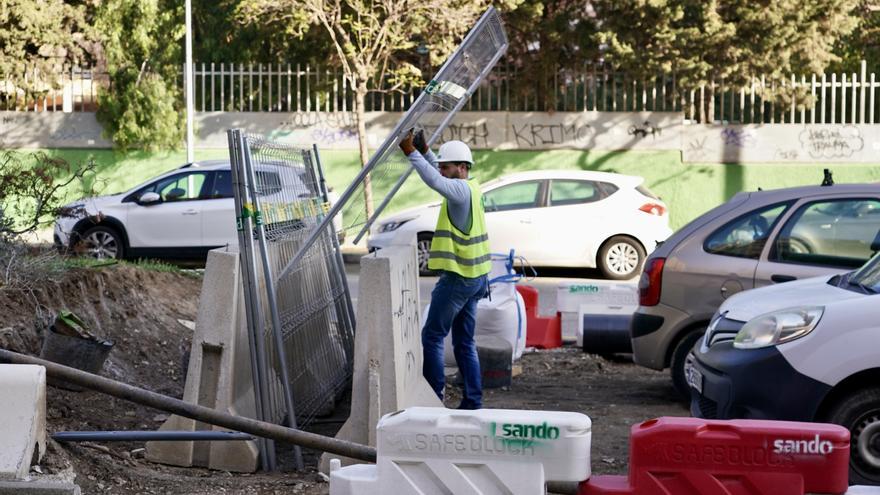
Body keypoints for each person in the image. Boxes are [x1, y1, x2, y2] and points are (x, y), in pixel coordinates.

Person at [398, 130, 490, 410]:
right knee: (464, 342)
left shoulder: (459, 190)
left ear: (462, 168)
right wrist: (426, 151)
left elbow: (435, 180)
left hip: (458, 277)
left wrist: (411, 153)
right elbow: (441, 171)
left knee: (432, 336)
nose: (441, 169)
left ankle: (432, 399)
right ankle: (473, 402)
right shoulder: (472, 187)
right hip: (476, 277)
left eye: (446, 165)